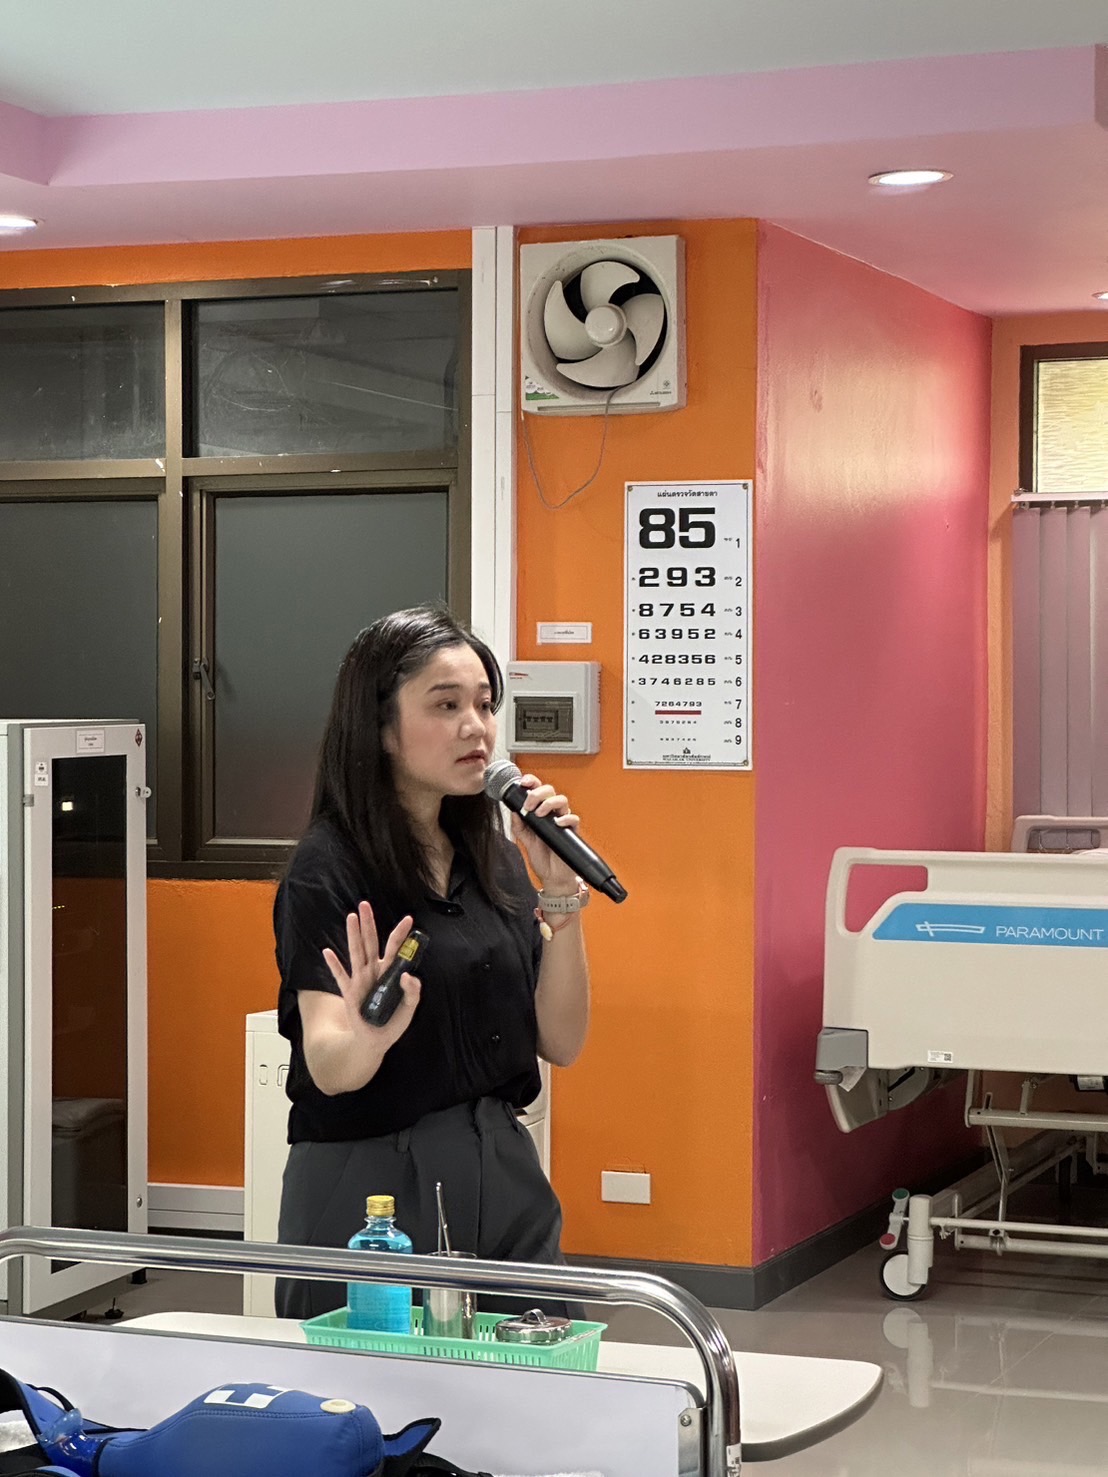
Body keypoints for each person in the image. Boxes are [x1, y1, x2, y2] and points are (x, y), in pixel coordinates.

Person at [274, 605, 590, 1319]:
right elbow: (329, 1063)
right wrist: (367, 1035)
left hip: (501, 1164)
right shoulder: (328, 870)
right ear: (381, 728)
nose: (476, 727)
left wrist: (562, 899)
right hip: (373, 1184)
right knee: (376, 1382)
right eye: (446, 706)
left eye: (485, 704)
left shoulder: (495, 857)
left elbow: (563, 1041)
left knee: (538, 1367)